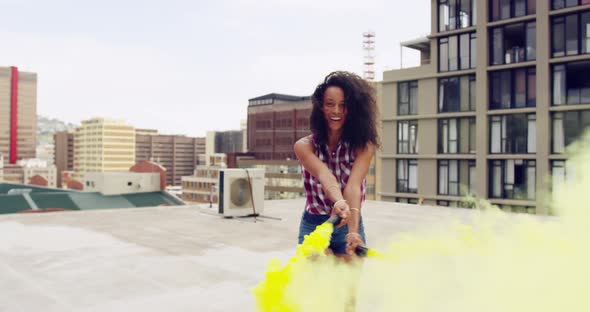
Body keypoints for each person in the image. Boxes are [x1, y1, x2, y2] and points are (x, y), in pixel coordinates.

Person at [294, 71, 379, 259]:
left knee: (348, 285)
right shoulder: (304, 146)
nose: (336, 111)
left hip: (349, 224)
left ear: (354, 110)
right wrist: (338, 201)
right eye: (330, 104)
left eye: (343, 105)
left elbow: (354, 186)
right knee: (318, 283)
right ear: (320, 107)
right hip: (314, 225)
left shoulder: (364, 146)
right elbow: (325, 175)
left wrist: (353, 231)